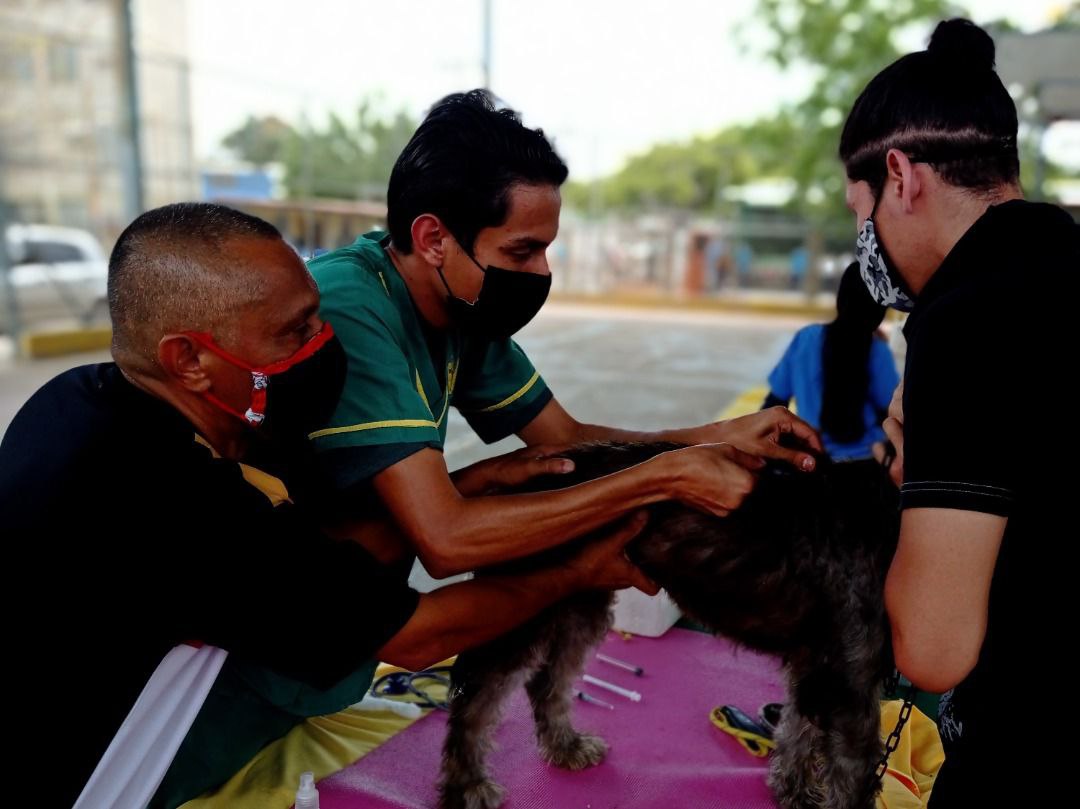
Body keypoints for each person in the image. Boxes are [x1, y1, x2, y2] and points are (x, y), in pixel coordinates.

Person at [0, 202, 655, 807]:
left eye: (318, 316)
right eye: (295, 331)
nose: (322, 344)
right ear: (191, 359)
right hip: (94, 777)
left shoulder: (81, 398)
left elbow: (302, 558)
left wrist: (466, 484)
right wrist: (579, 570)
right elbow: (422, 634)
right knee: (331, 665)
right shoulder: (165, 490)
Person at [308, 90, 823, 580]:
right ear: (433, 239)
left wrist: (713, 436)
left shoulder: (461, 304)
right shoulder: (350, 307)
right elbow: (447, 540)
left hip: (358, 609)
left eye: (546, 250)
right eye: (521, 251)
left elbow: (565, 439)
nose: (540, 273)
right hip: (271, 639)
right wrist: (660, 476)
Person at [838, 18, 1079, 805]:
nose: (864, 241)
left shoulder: (965, 316)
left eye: (859, 210)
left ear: (902, 176)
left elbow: (934, 649)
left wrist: (913, 471)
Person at [763, 261, 900, 461]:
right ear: (879, 308)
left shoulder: (807, 338)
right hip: (865, 466)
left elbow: (775, 402)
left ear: (840, 298)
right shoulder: (877, 350)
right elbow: (891, 414)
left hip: (810, 461)